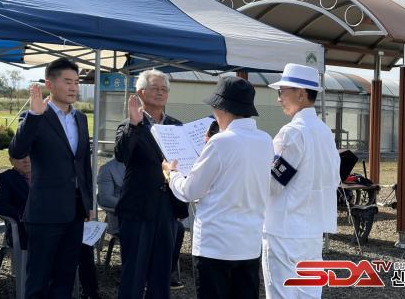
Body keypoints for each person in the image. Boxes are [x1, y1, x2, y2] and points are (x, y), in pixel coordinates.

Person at [164, 76, 274, 299]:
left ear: (221, 108)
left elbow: (189, 191)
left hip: (216, 245)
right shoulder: (265, 140)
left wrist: (171, 173)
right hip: (249, 243)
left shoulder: (220, 142)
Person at [9, 57, 93, 299]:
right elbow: (17, 151)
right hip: (45, 212)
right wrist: (34, 115)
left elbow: (83, 164)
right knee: (38, 280)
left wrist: (88, 202)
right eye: (67, 82)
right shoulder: (36, 116)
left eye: (76, 82)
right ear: (49, 84)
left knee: (65, 279)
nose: (73, 87)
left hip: (75, 211)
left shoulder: (80, 118)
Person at [262, 64, 340, 299]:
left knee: (281, 294)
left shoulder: (292, 132)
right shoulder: (325, 132)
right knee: (309, 294)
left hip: (284, 231)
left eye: (282, 91)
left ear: (301, 94)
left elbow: (272, 184)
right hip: (312, 232)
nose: (279, 99)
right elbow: (335, 179)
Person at [114, 69, 189, 299]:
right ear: (140, 92)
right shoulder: (129, 124)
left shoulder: (177, 126)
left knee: (161, 274)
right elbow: (121, 155)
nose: (160, 92)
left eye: (164, 89)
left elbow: (185, 164)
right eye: (155, 88)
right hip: (138, 208)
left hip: (167, 208)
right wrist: (134, 125)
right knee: (133, 274)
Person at [98, 156, 186, 290]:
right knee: (144, 229)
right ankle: (141, 276)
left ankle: (166, 272)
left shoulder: (147, 164)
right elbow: (105, 198)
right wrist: (134, 204)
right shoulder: (108, 169)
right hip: (122, 217)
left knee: (177, 227)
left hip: (149, 213)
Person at [0, 155, 31, 250]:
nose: (27, 160)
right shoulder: (5, 178)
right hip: (25, 229)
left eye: (30, 155)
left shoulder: (45, 175)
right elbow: (0, 206)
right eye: (21, 157)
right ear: (11, 161)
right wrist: (24, 214)